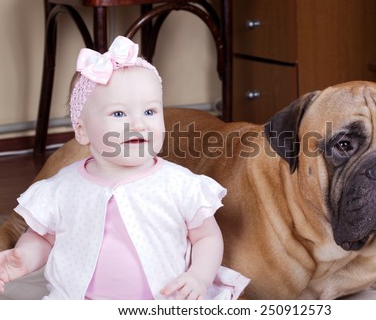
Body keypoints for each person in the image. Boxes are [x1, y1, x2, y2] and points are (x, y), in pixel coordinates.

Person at [0, 36, 249, 300]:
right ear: (82, 131)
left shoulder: (179, 184)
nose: (139, 124)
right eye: (119, 114)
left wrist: (199, 276)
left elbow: (206, 238)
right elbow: (43, 238)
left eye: (150, 112)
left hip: (161, 300)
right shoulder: (62, 188)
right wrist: (24, 258)